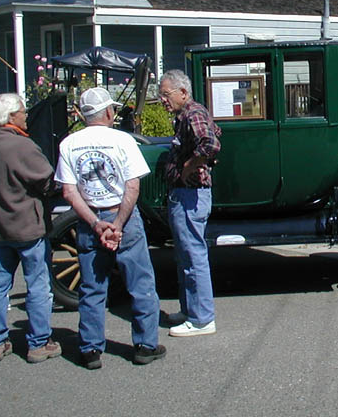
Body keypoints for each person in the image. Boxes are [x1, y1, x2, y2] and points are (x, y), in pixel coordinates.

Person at [55, 87, 164, 369]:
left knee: (92, 286)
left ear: (82, 114)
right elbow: (133, 185)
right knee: (140, 284)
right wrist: (117, 224)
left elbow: (69, 192)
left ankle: (90, 348)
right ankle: (144, 344)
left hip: (89, 217)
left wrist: (94, 223)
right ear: (107, 112)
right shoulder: (122, 140)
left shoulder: (68, 144)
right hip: (122, 216)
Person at [0, 93, 61, 363]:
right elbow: (47, 181)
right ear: (11, 116)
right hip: (27, 227)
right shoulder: (22, 146)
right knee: (38, 284)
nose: (26, 116)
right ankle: (38, 342)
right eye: (22, 112)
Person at [158, 69, 220, 337]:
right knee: (185, 255)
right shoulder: (185, 115)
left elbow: (211, 144)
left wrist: (188, 166)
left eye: (165, 94)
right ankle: (190, 310)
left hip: (190, 195)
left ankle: (202, 319)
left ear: (183, 92)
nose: (162, 100)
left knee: (193, 256)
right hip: (183, 195)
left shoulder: (193, 113)